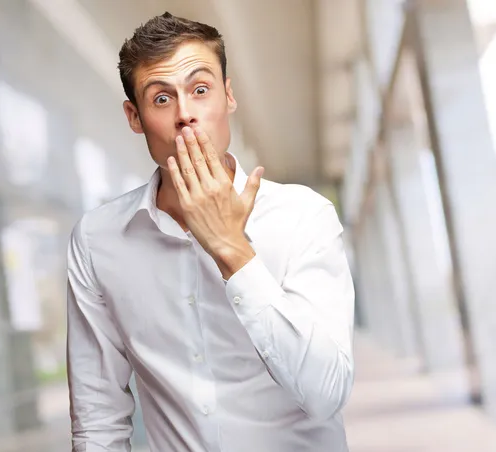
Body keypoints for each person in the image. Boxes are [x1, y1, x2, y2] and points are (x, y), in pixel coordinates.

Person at [66, 11, 355, 452]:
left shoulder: (303, 216)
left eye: (200, 90)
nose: (185, 115)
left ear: (228, 96)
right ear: (134, 116)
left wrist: (231, 249)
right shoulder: (97, 240)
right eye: (161, 99)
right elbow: (98, 419)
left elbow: (327, 394)